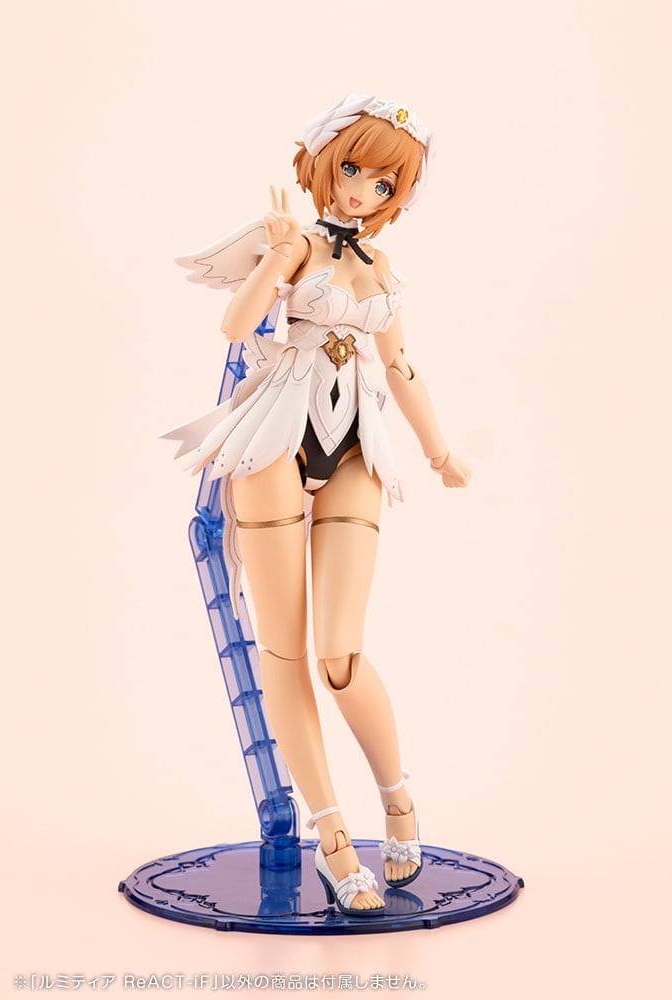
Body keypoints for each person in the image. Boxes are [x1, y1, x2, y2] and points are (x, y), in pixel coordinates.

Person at [165, 95, 471, 916]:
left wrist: (438, 450)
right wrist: (273, 258)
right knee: (285, 651)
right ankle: (331, 834)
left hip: (355, 444)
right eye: (352, 169)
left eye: (382, 183)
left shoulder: (384, 269)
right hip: (275, 435)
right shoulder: (296, 243)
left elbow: (400, 366)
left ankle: (397, 797)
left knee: (340, 655)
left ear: (395, 196)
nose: (361, 189)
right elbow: (236, 326)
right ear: (324, 163)